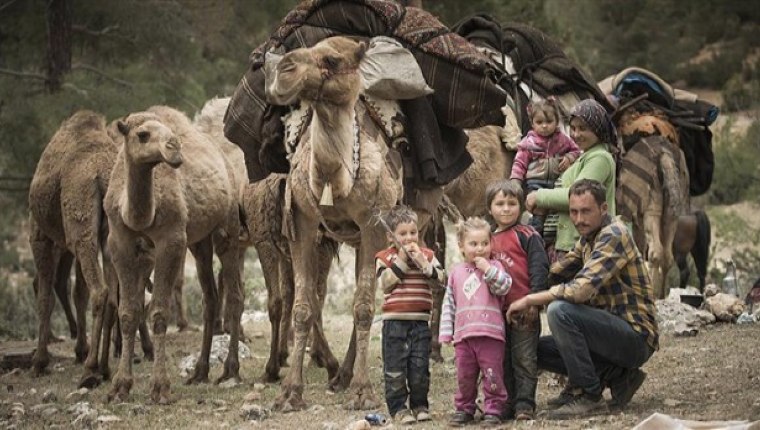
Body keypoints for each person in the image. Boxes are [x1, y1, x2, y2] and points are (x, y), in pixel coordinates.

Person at [507, 179, 658, 420]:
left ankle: (589, 395)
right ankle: (618, 376)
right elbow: (556, 273)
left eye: (586, 211)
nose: (578, 219)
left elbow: (580, 290)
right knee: (531, 348)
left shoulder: (614, 234)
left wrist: (529, 300)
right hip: (606, 334)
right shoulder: (587, 239)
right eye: (574, 212)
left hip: (635, 337)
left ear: (603, 209)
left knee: (560, 311)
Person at [485, 180, 550, 421]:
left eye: (512, 203)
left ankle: (524, 404)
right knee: (501, 360)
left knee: (524, 359)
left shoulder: (527, 235)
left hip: (524, 310)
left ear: (521, 207)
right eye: (499, 204)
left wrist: (534, 302)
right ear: (489, 208)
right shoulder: (487, 239)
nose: (506, 209)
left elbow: (539, 268)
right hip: (496, 313)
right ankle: (506, 403)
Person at [439, 217, 513, 427]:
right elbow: (449, 304)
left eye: (484, 243)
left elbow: (504, 287)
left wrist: (487, 269)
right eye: (473, 244)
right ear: (461, 246)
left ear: (491, 244)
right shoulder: (456, 272)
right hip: (464, 337)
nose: (480, 249)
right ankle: (464, 408)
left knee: (492, 375)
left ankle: (494, 409)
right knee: (465, 377)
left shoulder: (496, 267)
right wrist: (446, 333)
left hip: (490, 335)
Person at [375, 205, 445, 425]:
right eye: (402, 234)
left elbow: (441, 279)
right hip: (394, 324)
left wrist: (424, 264)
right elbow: (385, 284)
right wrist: (403, 261)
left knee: (419, 367)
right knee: (395, 368)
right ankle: (398, 409)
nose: (409, 238)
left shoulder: (428, 255)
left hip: (420, 323)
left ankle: (420, 405)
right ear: (391, 236)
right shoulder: (385, 258)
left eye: (412, 233)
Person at [525, 99, 617, 261]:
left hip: (580, 244)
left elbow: (578, 197)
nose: (575, 134)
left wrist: (538, 196)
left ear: (598, 129)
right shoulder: (584, 156)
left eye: (583, 129)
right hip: (570, 244)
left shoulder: (600, 158)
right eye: (573, 128)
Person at [510, 98, 580, 235]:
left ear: (556, 121)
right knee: (539, 212)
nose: (544, 126)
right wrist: (515, 181)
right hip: (536, 183)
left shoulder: (562, 140)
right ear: (532, 123)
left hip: (557, 183)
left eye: (549, 122)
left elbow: (577, 150)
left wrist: (569, 157)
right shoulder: (528, 143)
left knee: (555, 211)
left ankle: (553, 237)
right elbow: (519, 163)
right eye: (539, 122)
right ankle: (533, 235)